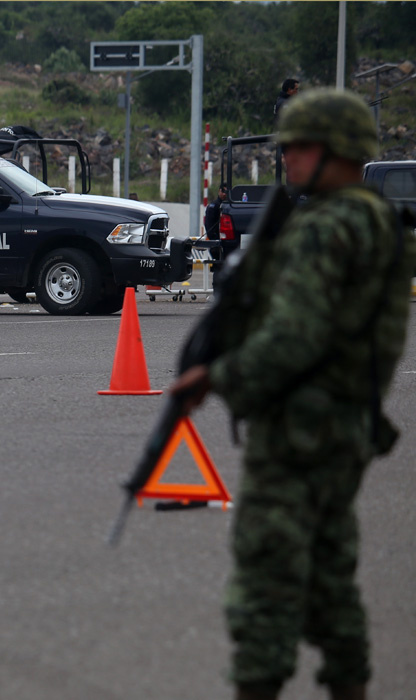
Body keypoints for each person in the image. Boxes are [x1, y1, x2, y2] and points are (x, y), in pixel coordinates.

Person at [169, 89, 414, 700]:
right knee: (330, 577)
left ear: (339, 149)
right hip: (346, 425)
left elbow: (294, 336)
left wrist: (217, 378)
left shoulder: (327, 227)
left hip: (299, 429)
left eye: (302, 145)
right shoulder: (378, 220)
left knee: (266, 580)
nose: (288, 157)